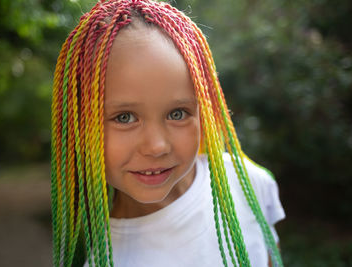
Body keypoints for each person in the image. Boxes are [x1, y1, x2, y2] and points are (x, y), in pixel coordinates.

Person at [50, 0, 285, 266]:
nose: (157, 146)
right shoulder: (104, 260)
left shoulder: (249, 185)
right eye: (124, 117)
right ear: (80, 127)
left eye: (177, 114)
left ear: (204, 109)